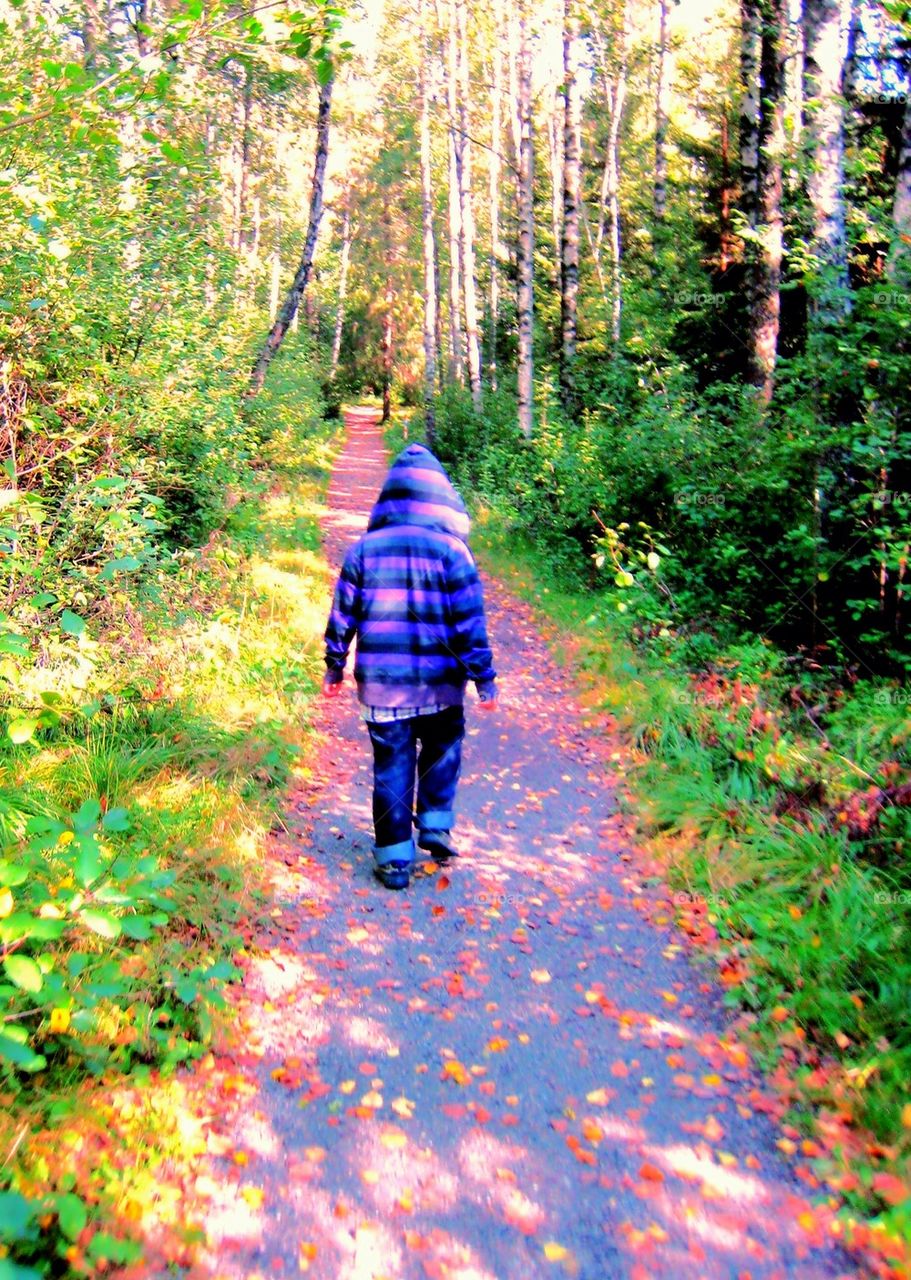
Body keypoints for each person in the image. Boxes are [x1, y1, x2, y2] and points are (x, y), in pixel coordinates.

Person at [322, 441, 497, 889]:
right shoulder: (453, 552)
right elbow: (469, 620)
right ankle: (436, 824)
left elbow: (343, 614)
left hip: (382, 686)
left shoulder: (364, 550)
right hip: (441, 685)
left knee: (392, 767)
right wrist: (483, 677)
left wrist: (334, 665)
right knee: (442, 750)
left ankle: (395, 860)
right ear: (441, 496)